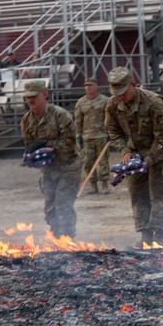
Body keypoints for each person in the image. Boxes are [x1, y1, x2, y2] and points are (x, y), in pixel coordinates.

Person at [105, 67, 163, 248]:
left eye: (123, 91)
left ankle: (159, 238)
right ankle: (145, 236)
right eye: (116, 92)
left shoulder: (153, 103)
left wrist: (150, 160)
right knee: (137, 194)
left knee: (158, 194)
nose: (120, 96)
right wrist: (124, 152)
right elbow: (113, 131)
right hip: (135, 154)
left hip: (159, 153)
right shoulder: (113, 105)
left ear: (133, 85)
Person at [20, 79, 81, 239]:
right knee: (49, 208)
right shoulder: (26, 121)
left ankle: (68, 239)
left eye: (34, 95)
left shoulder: (60, 115)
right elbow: (30, 145)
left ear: (45, 95)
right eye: (27, 97)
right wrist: (31, 157)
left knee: (62, 205)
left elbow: (70, 143)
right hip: (49, 169)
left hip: (68, 166)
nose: (30, 100)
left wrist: (47, 144)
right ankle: (57, 238)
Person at [74, 76, 111, 195]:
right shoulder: (81, 102)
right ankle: (93, 185)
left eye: (90, 85)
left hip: (101, 136)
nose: (88, 88)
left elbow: (110, 119)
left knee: (103, 162)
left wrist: (110, 132)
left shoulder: (105, 101)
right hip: (87, 137)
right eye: (86, 85)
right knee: (88, 162)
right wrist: (77, 136)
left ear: (96, 86)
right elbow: (78, 120)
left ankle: (104, 184)